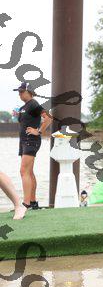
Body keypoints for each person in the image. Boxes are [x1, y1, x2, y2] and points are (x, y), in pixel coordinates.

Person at [13, 82, 53, 210]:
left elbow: (48, 118)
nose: (19, 94)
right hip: (24, 141)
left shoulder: (33, 104)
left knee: (23, 171)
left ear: (29, 92)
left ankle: (26, 204)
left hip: (31, 141)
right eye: (18, 92)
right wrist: (18, 114)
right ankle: (32, 202)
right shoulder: (24, 107)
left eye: (21, 91)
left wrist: (39, 131)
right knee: (29, 172)